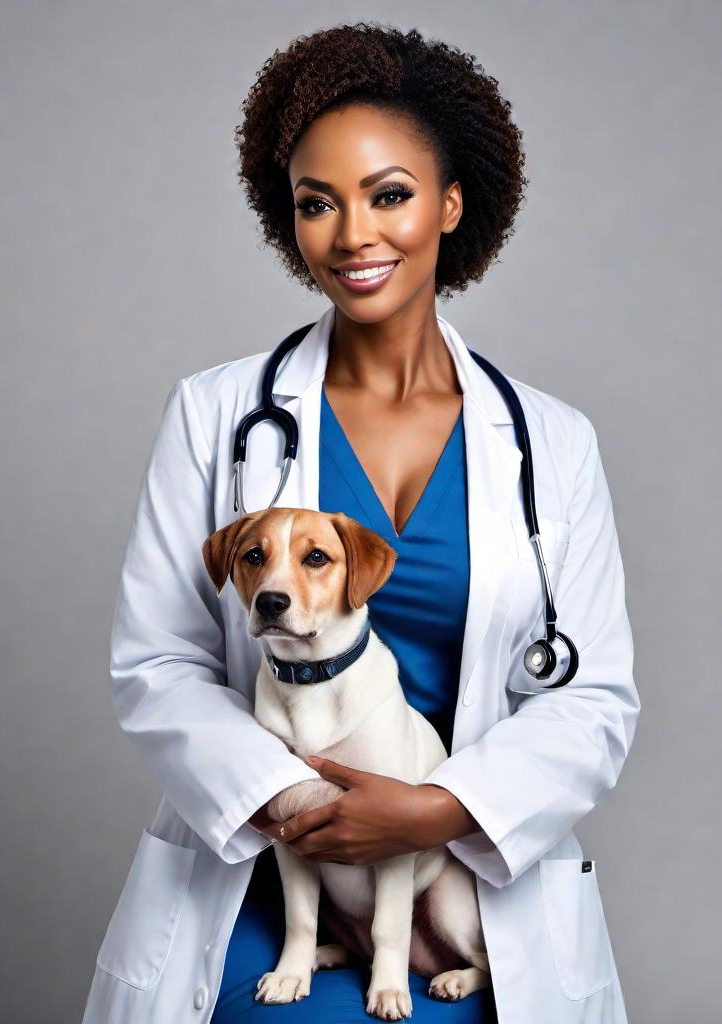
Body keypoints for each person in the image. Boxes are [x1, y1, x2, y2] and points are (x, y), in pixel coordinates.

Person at [82, 21, 640, 1024]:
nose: (352, 235)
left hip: (463, 889)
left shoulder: (550, 442)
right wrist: (296, 802)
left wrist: (435, 811)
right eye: (315, 203)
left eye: (389, 194)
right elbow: (156, 663)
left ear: (451, 203)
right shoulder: (215, 415)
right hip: (255, 882)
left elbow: (592, 698)